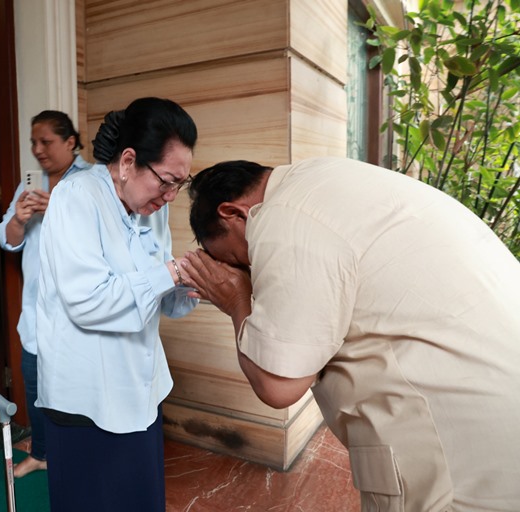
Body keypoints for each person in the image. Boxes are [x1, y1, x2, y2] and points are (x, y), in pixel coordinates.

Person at [182, 157, 520, 511]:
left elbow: (278, 385)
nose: (244, 269)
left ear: (233, 213)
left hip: (464, 451)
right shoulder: (321, 177)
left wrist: (235, 300)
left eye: (239, 259)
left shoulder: (284, 219)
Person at [34, 97, 198, 511]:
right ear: (128, 162)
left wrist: (193, 283)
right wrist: (172, 273)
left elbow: (158, 294)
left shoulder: (150, 206)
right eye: (166, 181)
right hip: (87, 396)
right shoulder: (77, 198)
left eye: (181, 183)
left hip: (141, 387)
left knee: (139, 500)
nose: (171, 196)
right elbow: (89, 301)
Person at [0, 110, 91, 478]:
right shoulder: (29, 186)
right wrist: (19, 218)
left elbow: (102, 237)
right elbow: (7, 241)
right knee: (35, 384)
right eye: (33, 142)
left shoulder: (92, 182)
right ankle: (41, 452)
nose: (37, 149)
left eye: (46, 141)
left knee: (79, 389)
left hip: (80, 310)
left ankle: (81, 457)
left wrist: (59, 210)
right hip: (36, 311)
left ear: (70, 142)